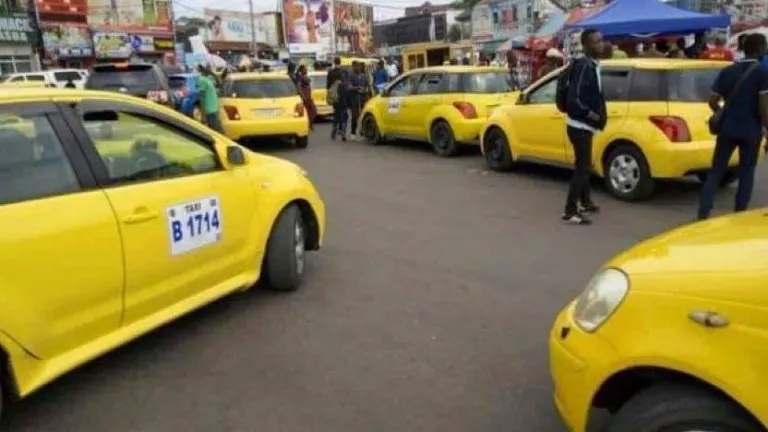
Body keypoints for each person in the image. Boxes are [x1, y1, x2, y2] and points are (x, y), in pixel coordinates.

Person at [697, 33, 768, 220]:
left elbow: (713, 100)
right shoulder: (762, 72)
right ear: (761, 48)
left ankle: (704, 211)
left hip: (727, 128)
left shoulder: (728, 71)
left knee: (716, 171)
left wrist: (724, 111)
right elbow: (764, 106)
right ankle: (739, 214)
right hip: (751, 130)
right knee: (746, 172)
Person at [562, 28, 606, 225]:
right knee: (583, 168)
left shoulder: (593, 64)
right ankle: (570, 210)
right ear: (587, 45)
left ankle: (586, 201)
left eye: (601, 41)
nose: (601, 45)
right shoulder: (583, 66)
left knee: (583, 165)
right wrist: (592, 115)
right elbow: (574, 99)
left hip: (585, 125)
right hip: (579, 125)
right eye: (596, 42)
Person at [197, 64, 223, 133]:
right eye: (208, 67)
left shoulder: (208, 79)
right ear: (203, 69)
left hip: (214, 110)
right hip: (209, 111)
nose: (209, 68)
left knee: (218, 132)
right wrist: (203, 115)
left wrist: (213, 73)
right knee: (217, 132)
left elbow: (219, 84)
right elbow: (202, 98)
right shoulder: (201, 80)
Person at [327, 57, 348, 140]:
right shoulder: (344, 72)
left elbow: (328, 86)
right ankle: (343, 133)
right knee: (344, 115)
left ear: (334, 62)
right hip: (343, 96)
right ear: (340, 62)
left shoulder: (331, 72)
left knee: (336, 114)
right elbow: (347, 85)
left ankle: (334, 130)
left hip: (334, 97)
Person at [347, 61, 368, 141]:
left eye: (360, 67)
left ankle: (362, 132)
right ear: (354, 67)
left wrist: (365, 90)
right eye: (357, 67)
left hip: (363, 98)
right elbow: (349, 87)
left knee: (363, 115)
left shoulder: (364, 76)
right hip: (354, 98)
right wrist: (357, 88)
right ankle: (353, 133)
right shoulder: (351, 76)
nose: (359, 68)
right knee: (355, 116)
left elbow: (367, 86)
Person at [295, 64, 317, 130]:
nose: (306, 70)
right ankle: (307, 125)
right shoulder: (300, 77)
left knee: (313, 111)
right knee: (308, 111)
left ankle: (309, 124)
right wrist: (303, 96)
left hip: (308, 96)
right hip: (305, 97)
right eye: (305, 69)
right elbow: (299, 88)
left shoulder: (305, 76)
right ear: (302, 70)